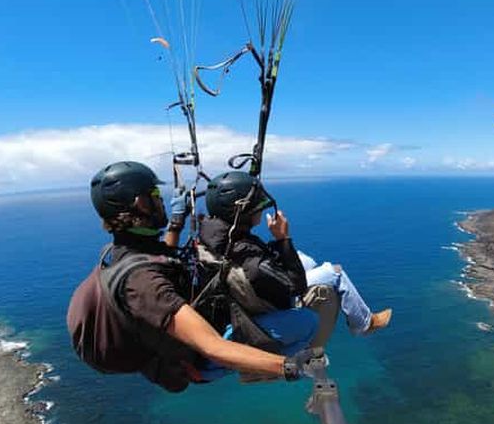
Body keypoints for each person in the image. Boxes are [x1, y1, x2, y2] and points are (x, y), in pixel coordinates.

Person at [69, 160, 317, 392]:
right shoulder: (142, 284)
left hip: (197, 331)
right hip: (198, 362)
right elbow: (212, 346)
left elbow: (161, 259)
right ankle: (256, 370)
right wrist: (288, 366)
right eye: (154, 194)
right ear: (139, 203)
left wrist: (176, 224)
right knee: (308, 321)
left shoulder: (123, 250)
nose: (161, 200)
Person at [199, 171, 392, 338]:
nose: (260, 210)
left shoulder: (218, 235)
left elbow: (252, 256)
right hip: (271, 302)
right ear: (241, 212)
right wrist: (283, 238)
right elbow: (295, 286)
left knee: (306, 261)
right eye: (256, 207)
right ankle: (364, 324)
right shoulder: (248, 256)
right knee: (335, 272)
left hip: (251, 286)